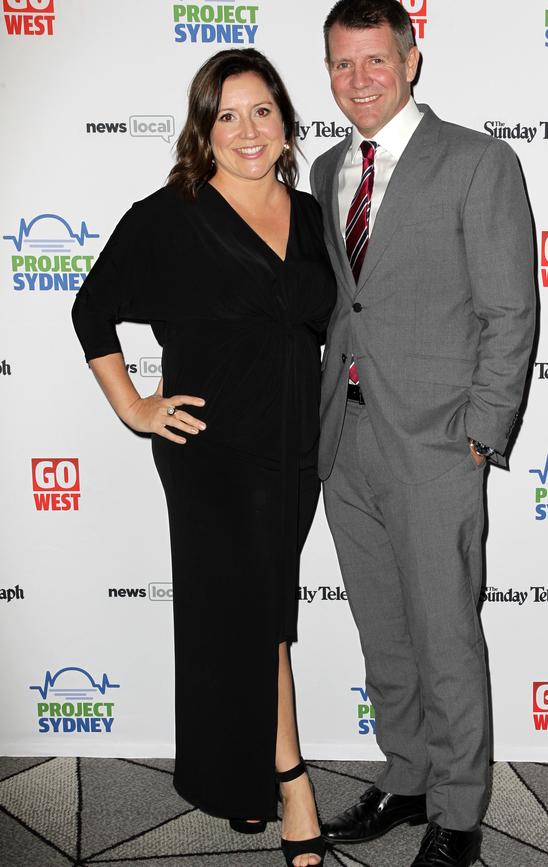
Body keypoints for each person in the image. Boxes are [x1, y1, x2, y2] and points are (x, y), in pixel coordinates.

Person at [72, 48, 335, 867]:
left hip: (297, 449)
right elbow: (92, 310)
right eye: (226, 115)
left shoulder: (315, 213)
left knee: (248, 617)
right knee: (266, 622)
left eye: (261, 111)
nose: (246, 130)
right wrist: (137, 408)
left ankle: (239, 783)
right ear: (203, 129)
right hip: (214, 455)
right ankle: (290, 783)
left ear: (285, 122)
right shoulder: (171, 214)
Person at [310, 2, 536, 865]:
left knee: (446, 634)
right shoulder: (330, 165)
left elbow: (510, 310)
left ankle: (459, 811)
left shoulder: (479, 162)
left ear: (411, 60)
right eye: (340, 64)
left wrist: (481, 431)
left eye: (374, 60)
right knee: (383, 629)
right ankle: (407, 778)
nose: (358, 79)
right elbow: (344, 303)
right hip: (347, 438)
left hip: (438, 443)